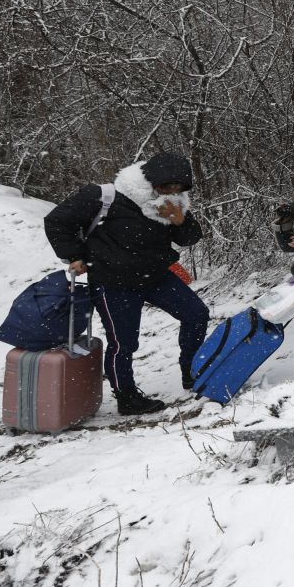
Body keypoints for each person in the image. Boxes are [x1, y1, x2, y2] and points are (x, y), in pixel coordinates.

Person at [44, 152, 210, 415]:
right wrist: (74, 255)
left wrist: (179, 219)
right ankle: (127, 397)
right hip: (113, 282)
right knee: (123, 343)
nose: (173, 191)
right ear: (152, 179)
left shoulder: (172, 203)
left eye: (180, 187)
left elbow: (190, 238)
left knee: (197, 314)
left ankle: (192, 370)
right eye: (168, 186)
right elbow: (56, 221)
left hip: (156, 276)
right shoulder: (105, 196)